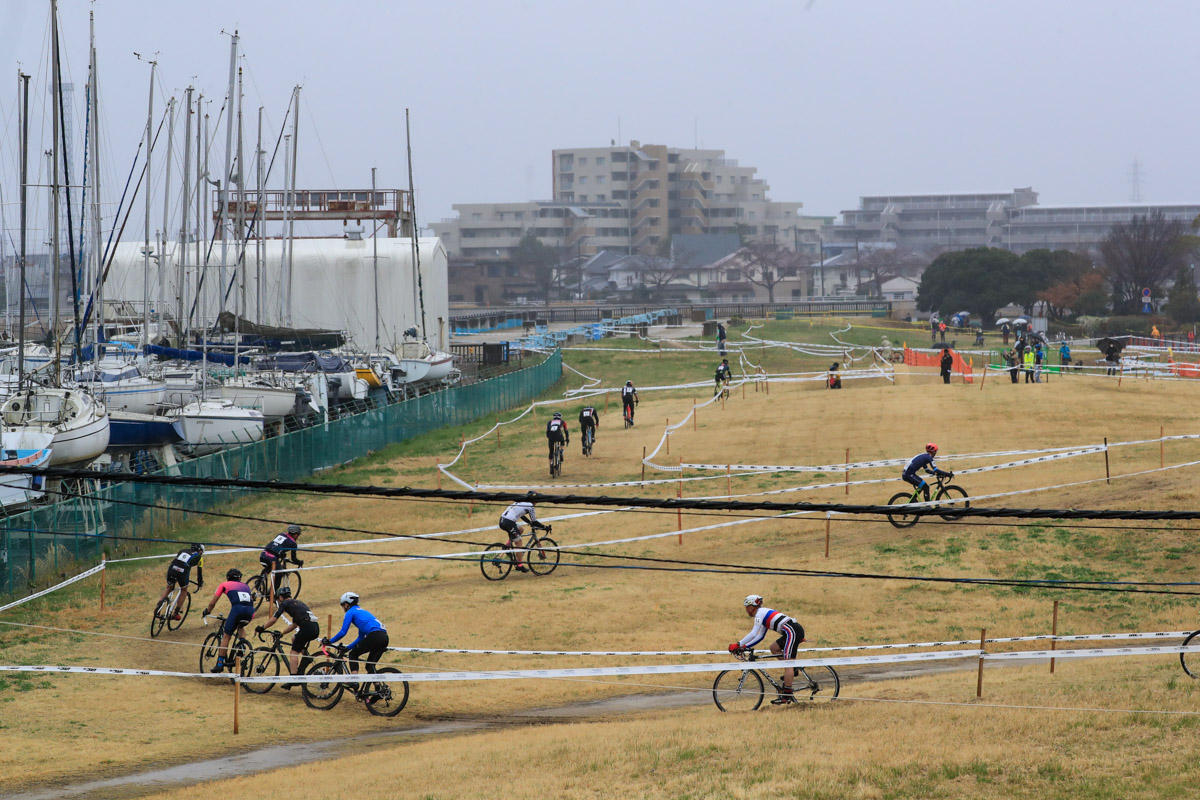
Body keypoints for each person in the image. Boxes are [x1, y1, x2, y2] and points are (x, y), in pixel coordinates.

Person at [728, 595, 805, 705]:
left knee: (788, 663)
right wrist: (744, 647)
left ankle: (786, 696)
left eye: (746, 607)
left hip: (792, 631)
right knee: (774, 648)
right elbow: (760, 636)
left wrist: (738, 644)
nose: (746, 610)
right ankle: (793, 670)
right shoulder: (763, 614)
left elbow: (753, 633)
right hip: (791, 631)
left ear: (752, 607)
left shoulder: (760, 614)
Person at [256, 585, 320, 688]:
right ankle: (306, 657)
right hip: (315, 628)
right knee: (294, 638)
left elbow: (274, 619)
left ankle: (293, 678)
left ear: (280, 597)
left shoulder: (285, 603)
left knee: (294, 651)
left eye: (278, 599)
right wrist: (282, 633)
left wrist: (262, 628)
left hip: (307, 627)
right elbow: (294, 624)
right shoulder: (298, 603)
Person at [324, 592, 389, 691]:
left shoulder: (350, 612)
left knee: (353, 654)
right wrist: (348, 647)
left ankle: (354, 680)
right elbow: (361, 637)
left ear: (346, 604)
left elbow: (343, 632)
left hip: (375, 635)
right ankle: (379, 689)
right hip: (384, 637)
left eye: (342, 605)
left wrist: (330, 641)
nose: (342, 607)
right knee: (369, 666)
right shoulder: (361, 612)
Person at [202, 568, 256, 673]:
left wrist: (207, 611)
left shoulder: (224, 584)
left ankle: (220, 664)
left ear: (228, 578)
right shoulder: (246, 586)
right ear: (239, 578)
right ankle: (242, 648)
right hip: (250, 612)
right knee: (240, 626)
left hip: (237, 610)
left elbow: (213, 602)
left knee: (226, 636)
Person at [498, 501, 550, 572]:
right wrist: (545, 527)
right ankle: (519, 565)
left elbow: (521, 515)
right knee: (519, 543)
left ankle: (507, 546)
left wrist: (529, 522)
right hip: (509, 523)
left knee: (520, 529)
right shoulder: (530, 506)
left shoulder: (520, 502)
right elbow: (534, 521)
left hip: (503, 520)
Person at [158, 543, 204, 620]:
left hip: (172, 568)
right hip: (182, 571)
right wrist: (200, 583)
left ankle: (157, 608)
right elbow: (199, 573)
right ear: (199, 550)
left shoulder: (183, 551)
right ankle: (176, 613)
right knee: (184, 590)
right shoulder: (199, 557)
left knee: (169, 588)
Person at [260, 524, 304, 595]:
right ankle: (271, 594)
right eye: (298, 535)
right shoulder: (293, 543)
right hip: (272, 558)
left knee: (270, 567)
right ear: (295, 534)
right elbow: (294, 558)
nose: (298, 536)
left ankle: (259, 581)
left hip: (263, 554)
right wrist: (299, 562)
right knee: (279, 574)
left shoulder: (281, 534)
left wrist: (282, 554)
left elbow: (277, 545)